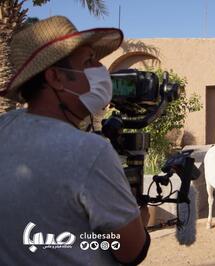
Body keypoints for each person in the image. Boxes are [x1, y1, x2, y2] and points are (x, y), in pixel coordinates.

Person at [0, 16, 150, 265]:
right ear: (56, 78)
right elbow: (130, 250)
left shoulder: (5, 127)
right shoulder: (89, 152)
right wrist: (140, 218)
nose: (100, 70)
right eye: (88, 62)